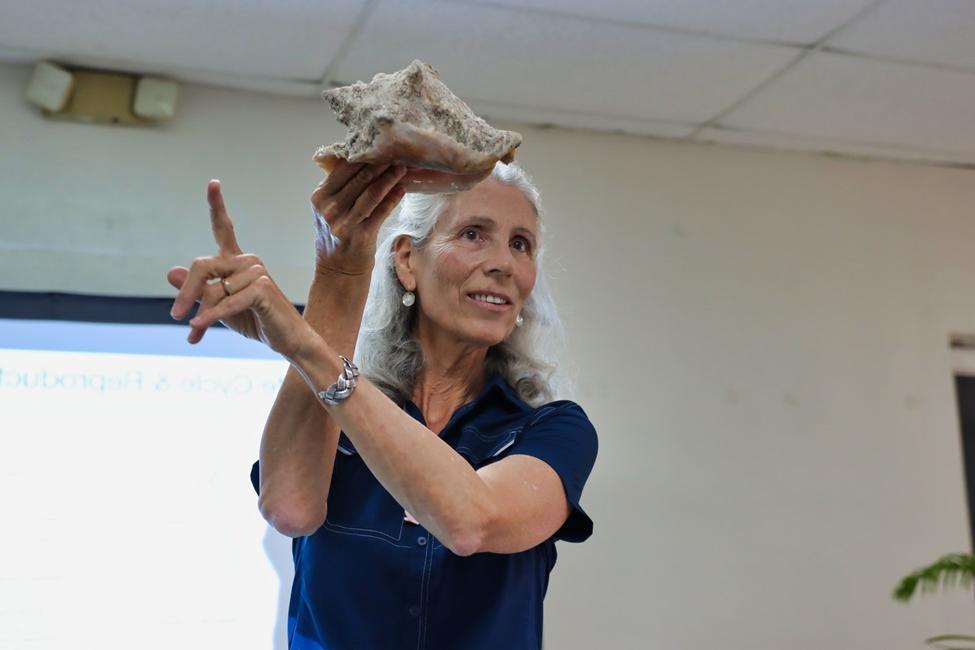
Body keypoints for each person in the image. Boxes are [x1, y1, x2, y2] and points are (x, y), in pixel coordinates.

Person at [167, 160, 598, 650]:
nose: (503, 263)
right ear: (407, 262)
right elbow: (289, 509)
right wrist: (338, 273)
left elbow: (470, 521)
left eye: (521, 244)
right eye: (474, 234)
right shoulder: (339, 420)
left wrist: (302, 343)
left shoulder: (553, 429)